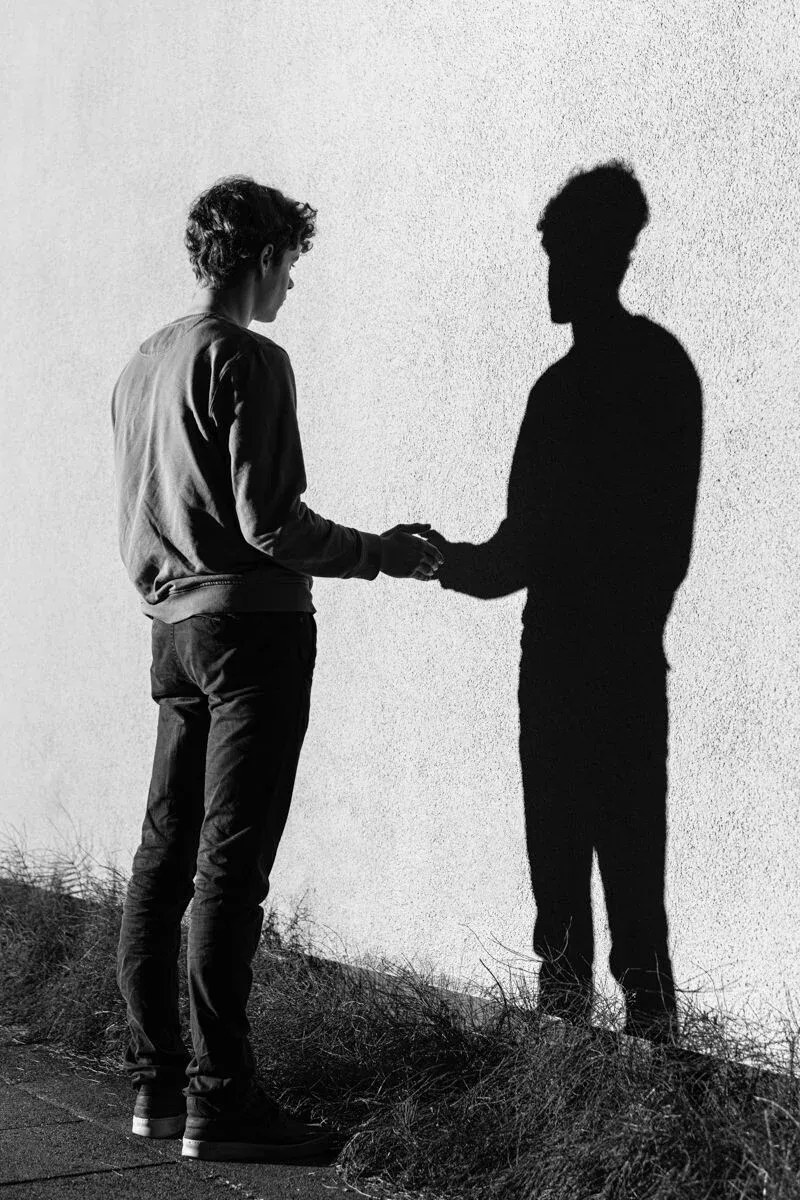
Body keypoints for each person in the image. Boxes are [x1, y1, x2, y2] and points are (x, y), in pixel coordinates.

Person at [111, 174, 444, 1163]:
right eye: (291, 263)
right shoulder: (247, 359)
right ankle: (223, 1102)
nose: (292, 284)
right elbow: (270, 523)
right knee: (229, 867)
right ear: (260, 259)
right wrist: (377, 551)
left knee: (161, 859)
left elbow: (140, 516)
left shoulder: (141, 365)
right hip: (251, 634)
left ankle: (155, 1090)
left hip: (171, 635)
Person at [430, 162, 702, 1043]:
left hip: (565, 661)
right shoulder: (662, 370)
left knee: (566, 886)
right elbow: (658, 547)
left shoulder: (566, 391)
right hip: (623, 656)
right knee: (630, 878)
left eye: (557, 254)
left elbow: (526, 545)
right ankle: (642, 1071)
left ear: (600, 257)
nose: (548, 274)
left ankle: (576, 1070)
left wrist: (444, 563)